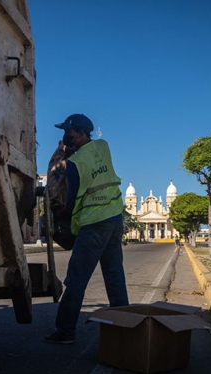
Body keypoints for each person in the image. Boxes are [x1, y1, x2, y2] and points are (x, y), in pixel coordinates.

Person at [43, 114, 129, 344]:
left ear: (80, 133)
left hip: (93, 223)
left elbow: (71, 200)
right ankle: (126, 328)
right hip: (114, 219)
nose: (65, 139)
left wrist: (60, 214)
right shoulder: (104, 145)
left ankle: (65, 332)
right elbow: (94, 163)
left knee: (76, 279)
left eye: (69, 134)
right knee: (114, 275)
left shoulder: (73, 163)